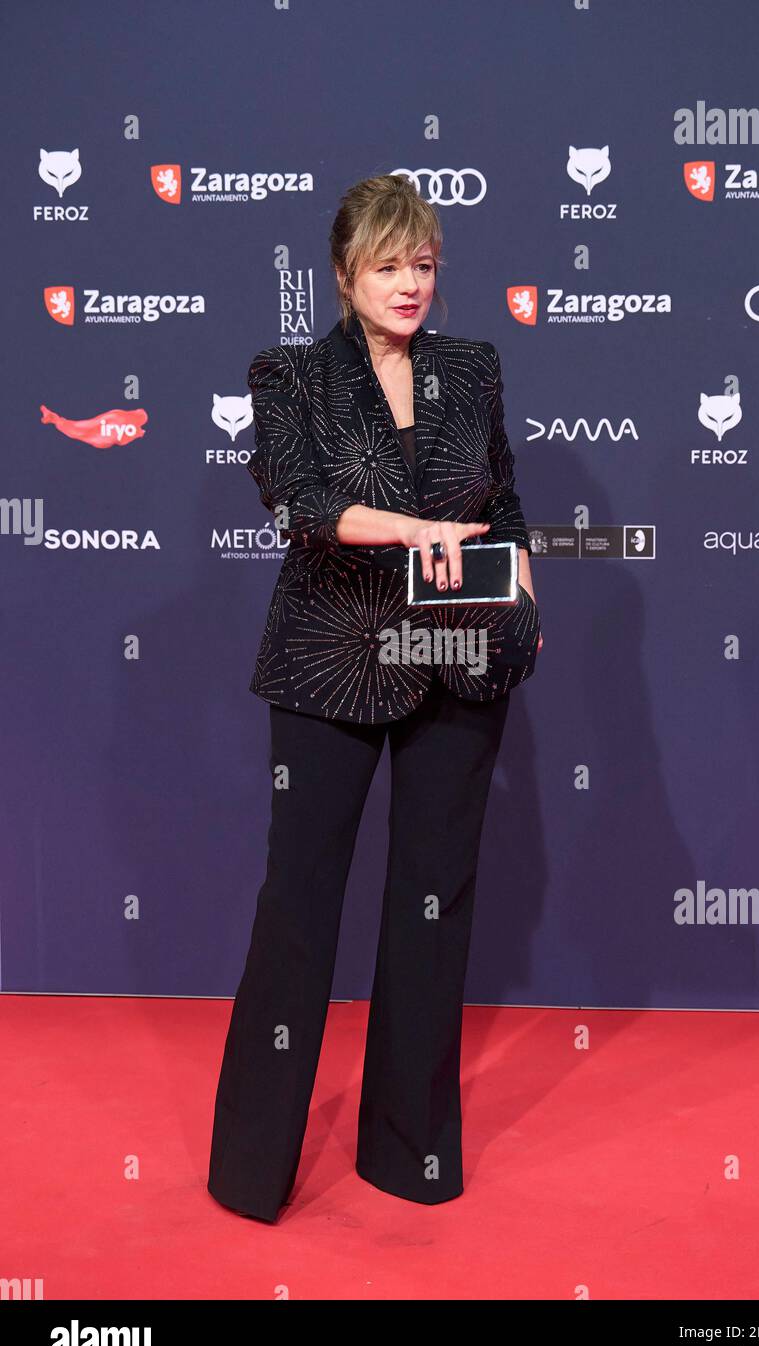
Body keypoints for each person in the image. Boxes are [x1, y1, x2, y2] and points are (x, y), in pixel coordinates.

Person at [207, 173, 542, 1222]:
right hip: (330, 658)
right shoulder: (290, 375)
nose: (410, 284)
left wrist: (525, 583)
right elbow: (301, 504)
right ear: (344, 274)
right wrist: (413, 533)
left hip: (457, 656)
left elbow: (506, 500)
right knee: (299, 907)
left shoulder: (472, 366)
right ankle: (252, 1168)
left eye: (424, 265)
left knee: (431, 906)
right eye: (389, 265)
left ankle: (408, 1155)